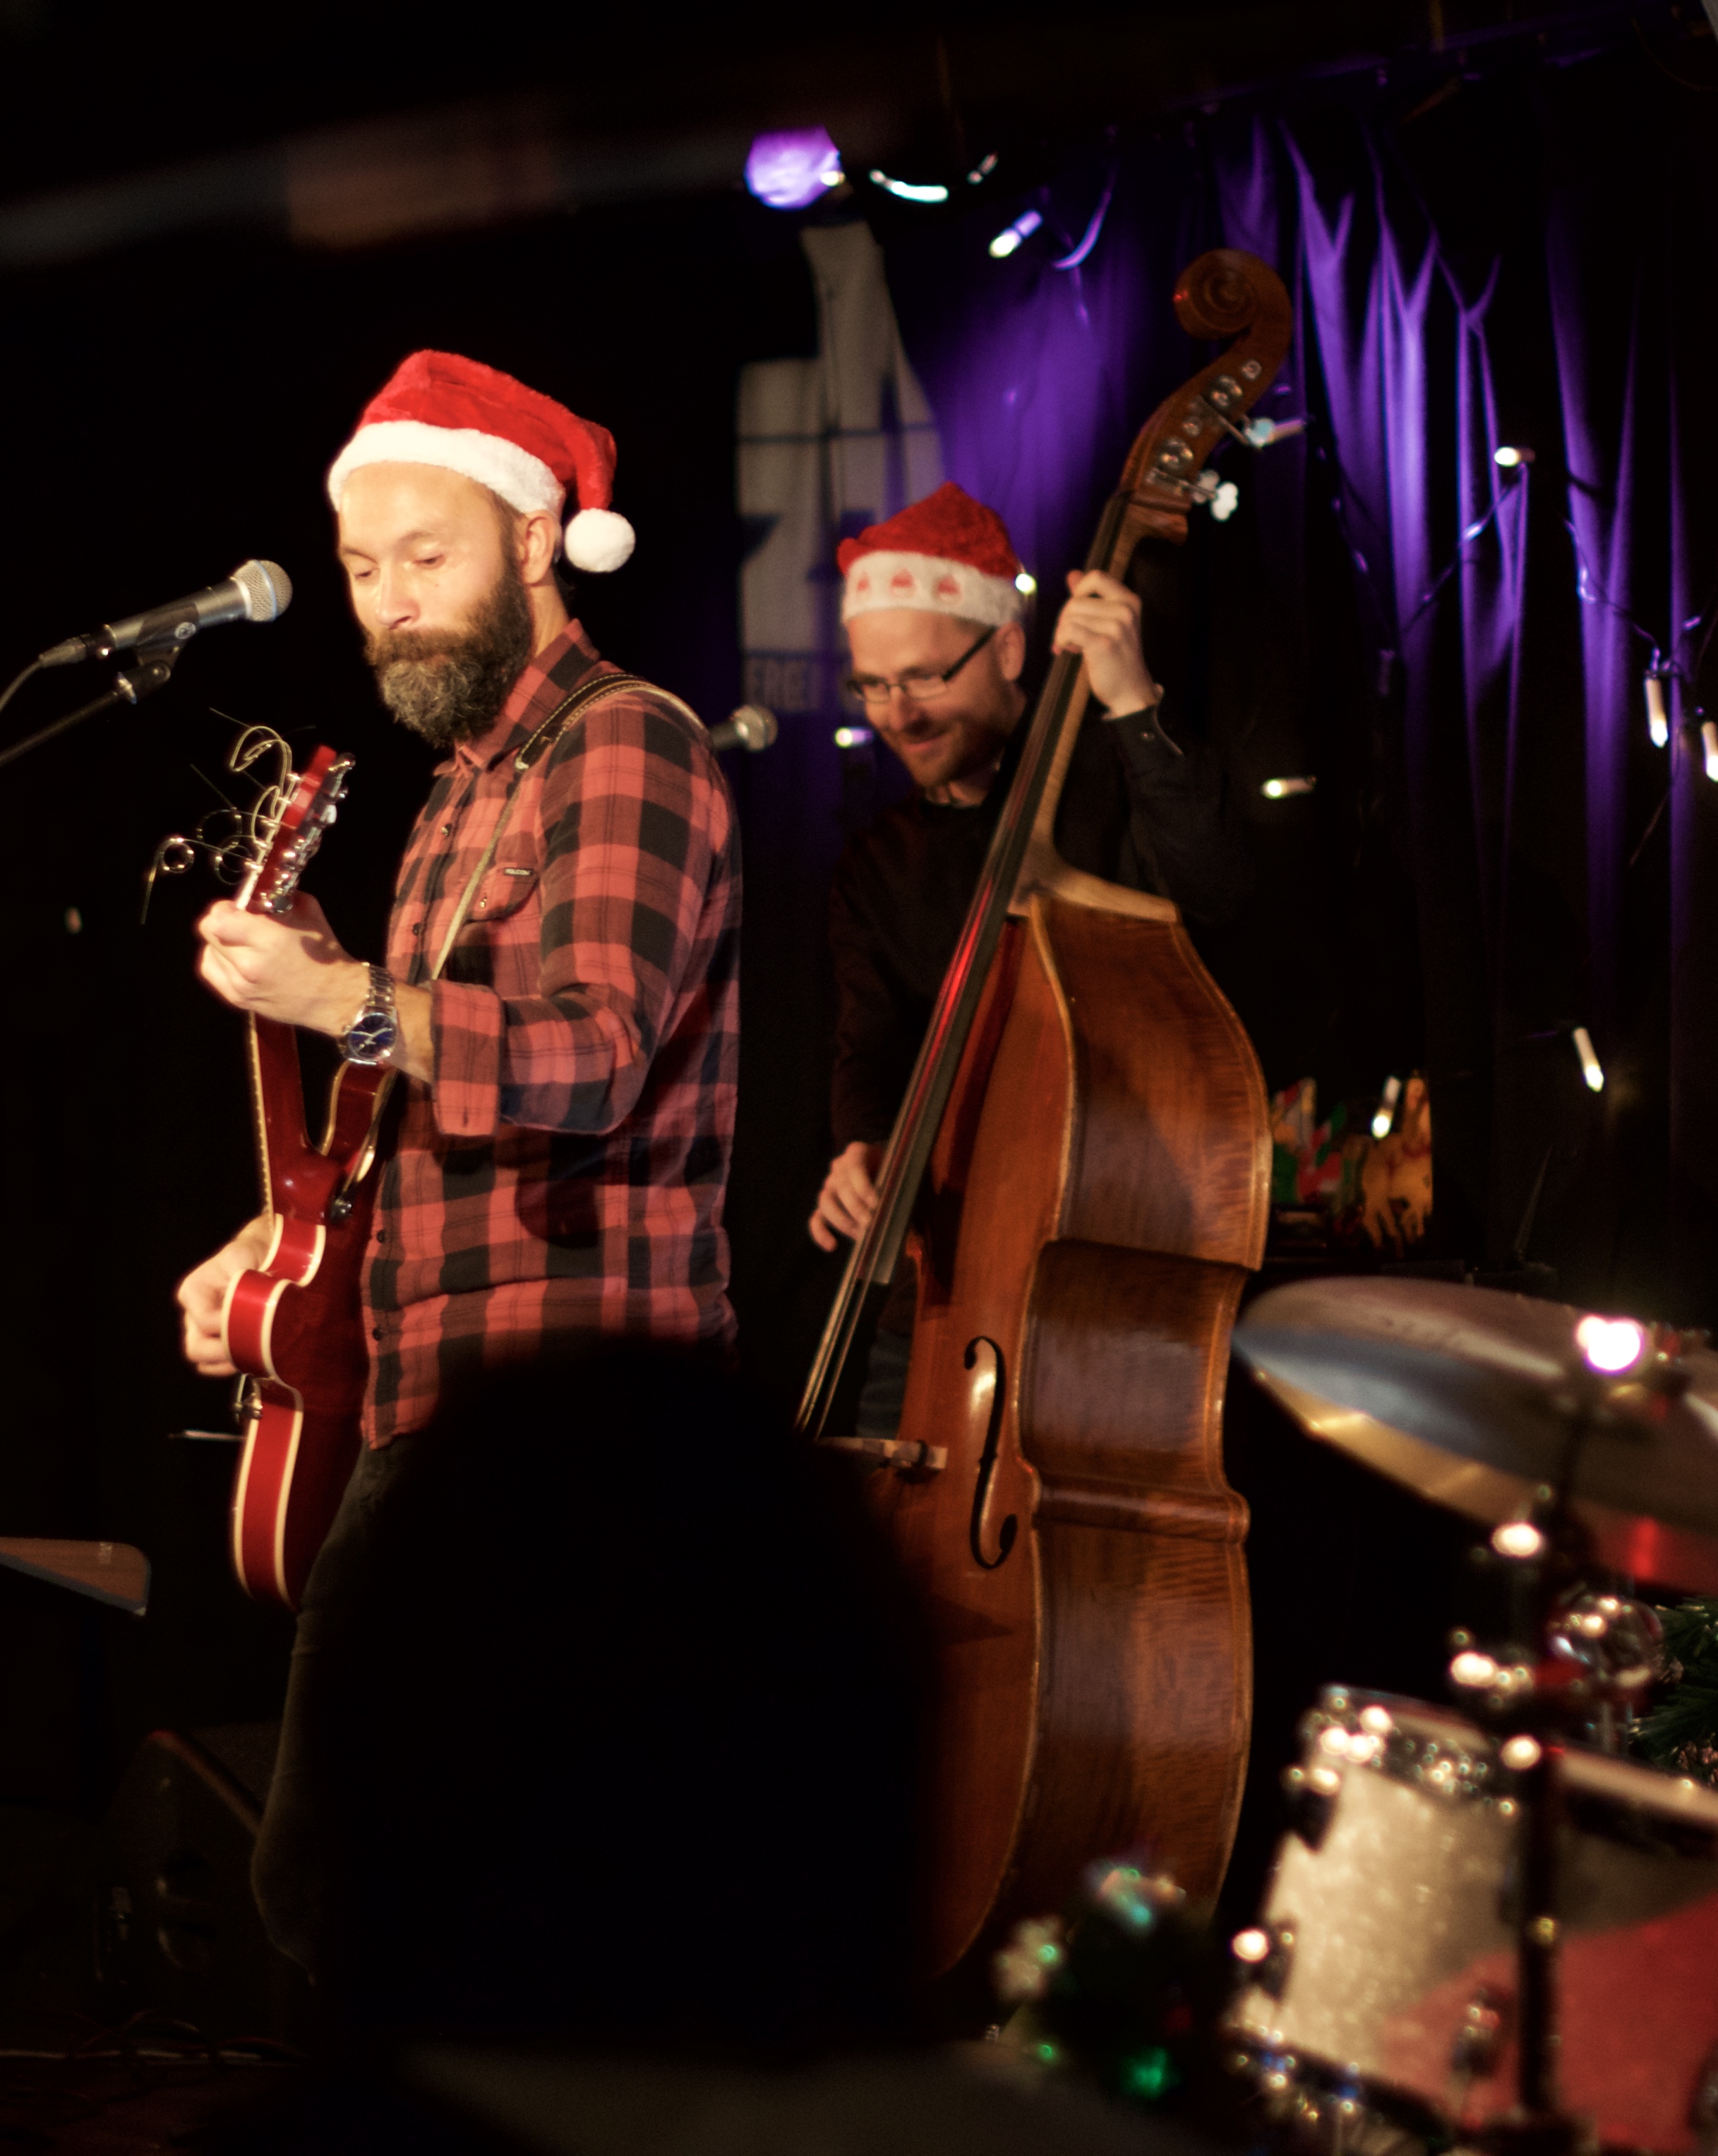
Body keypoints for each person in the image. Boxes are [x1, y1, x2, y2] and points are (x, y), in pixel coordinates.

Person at [172, 351, 740, 1986]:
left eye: (428, 556)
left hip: (574, 1416)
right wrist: (273, 1238)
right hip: (439, 1394)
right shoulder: (449, 802)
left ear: (536, 540)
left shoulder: (622, 744)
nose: (391, 603)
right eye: (364, 568)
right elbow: (417, 1093)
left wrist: (342, 997)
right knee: (404, 1897)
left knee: (391, 1891)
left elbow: (595, 1050)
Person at [807, 483, 1247, 1279]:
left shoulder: (1117, 775)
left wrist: (1132, 703)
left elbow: (1220, 896)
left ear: (1007, 651)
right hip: (951, 1266)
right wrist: (865, 1145)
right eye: (873, 685)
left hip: (1121, 1238)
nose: (897, 715)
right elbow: (869, 1046)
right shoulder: (876, 864)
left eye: (923, 677)